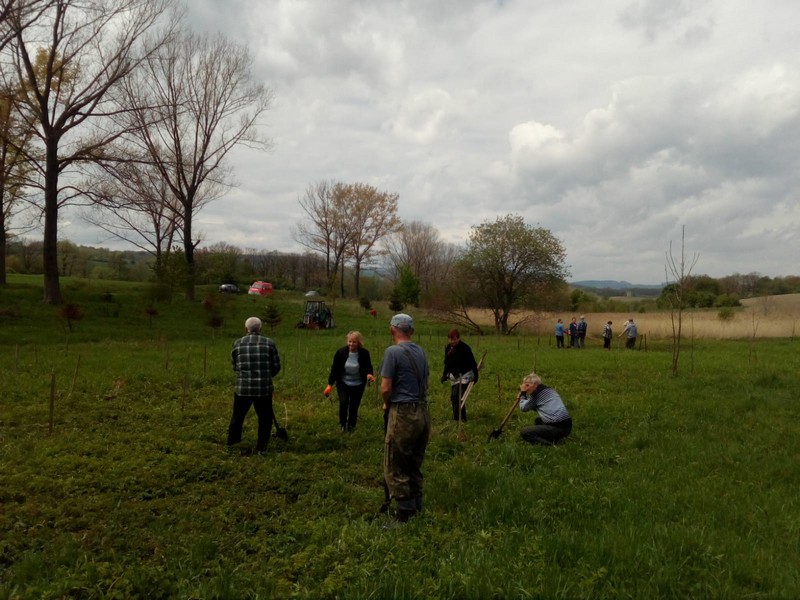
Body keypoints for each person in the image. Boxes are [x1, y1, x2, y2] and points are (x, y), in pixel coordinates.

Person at [381, 313, 431, 525]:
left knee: (396, 461)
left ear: (392, 329)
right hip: (422, 411)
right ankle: (416, 504)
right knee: (414, 460)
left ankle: (404, 513)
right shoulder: (422, 351)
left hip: (402, 411)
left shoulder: (392, 352)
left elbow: (385, 387)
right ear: (411, 331)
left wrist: (387, 403)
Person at [227, 316, 282, 454]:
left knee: (238, 416)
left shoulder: (237, 343)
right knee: (265, 418)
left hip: (242, 389)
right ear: (260, 328)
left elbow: (235, 366)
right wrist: (265, 377)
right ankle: (262, 446)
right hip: (263, 389)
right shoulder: (269, 343)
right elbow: (276, 367)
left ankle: (233, 442)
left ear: (246, 329)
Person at [324, 331, 375, 432]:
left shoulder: (364, 353)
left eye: (354, 342)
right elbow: (335, 369)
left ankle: (352, 425)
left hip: (359, 384)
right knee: (344, 403)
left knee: (354, 405)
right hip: (343, 383)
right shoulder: (341, 353)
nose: (351, 344)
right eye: (350, 341)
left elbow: (368, 366)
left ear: (358, 343)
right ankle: (343, 424)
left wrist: (369, 374)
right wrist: (330, 384)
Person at [517, 372, 572, 446]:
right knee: (538, 421)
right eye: (524, 385)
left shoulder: (537, 395)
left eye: (527, 385)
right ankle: (554, 438)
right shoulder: (549, 390)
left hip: (558, 428)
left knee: (525, 432)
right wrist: (523, 398)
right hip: (567, 426)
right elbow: (534, 405)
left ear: (535, 385)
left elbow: (523, 408)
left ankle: (549, 445)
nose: (526, 387)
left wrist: (523, 394)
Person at [440, 328, 478, 422]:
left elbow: (473, 363)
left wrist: (476, 376)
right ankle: (457, 418)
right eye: (450, 339)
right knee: (453, 397)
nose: (452, 341)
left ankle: (462, 418)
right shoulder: (448, 347)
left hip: (465, 375)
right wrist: (444, 374)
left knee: (458, 396)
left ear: (458, 338)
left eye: (454, 339)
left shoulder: (465, 348)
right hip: (454, 375)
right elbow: (447, 362)